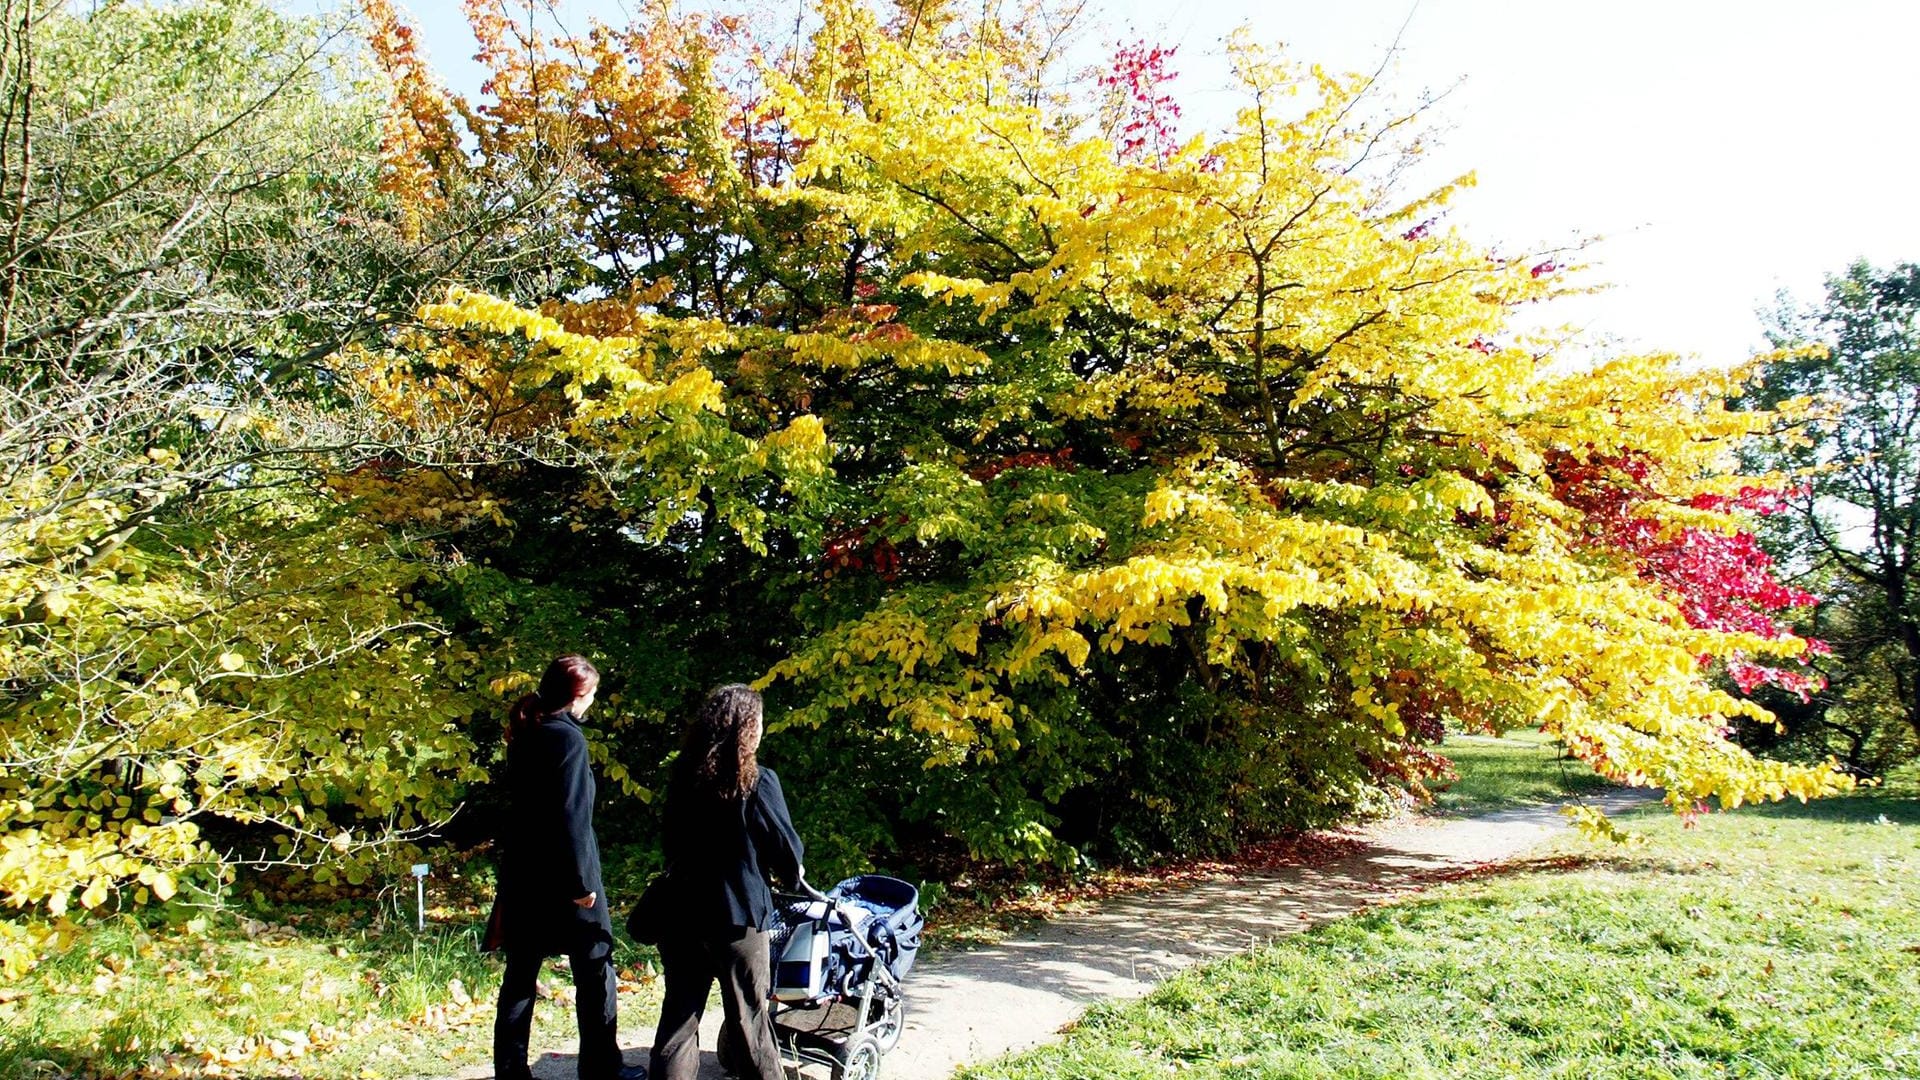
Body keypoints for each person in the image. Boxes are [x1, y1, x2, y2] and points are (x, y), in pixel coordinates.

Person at [491, 655, 646, 1080]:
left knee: (520, 974)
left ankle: (510, 1070)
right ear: (577, 696)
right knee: (596, 967)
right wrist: (580, 882)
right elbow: (572, 816)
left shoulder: (525, 733)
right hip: (565, 876)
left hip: (525, 872)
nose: (593, 703)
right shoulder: (568, 740)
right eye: (592, 694)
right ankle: (601, 1067)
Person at [648, 684, 804, 1080]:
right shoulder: (757, 780)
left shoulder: (683, 774)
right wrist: (792, 876)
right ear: (748, 727)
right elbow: (785, 847)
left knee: (680, 1020)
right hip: (737, 917)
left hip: (681, 910)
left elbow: (669, 840)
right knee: (749, 1020)